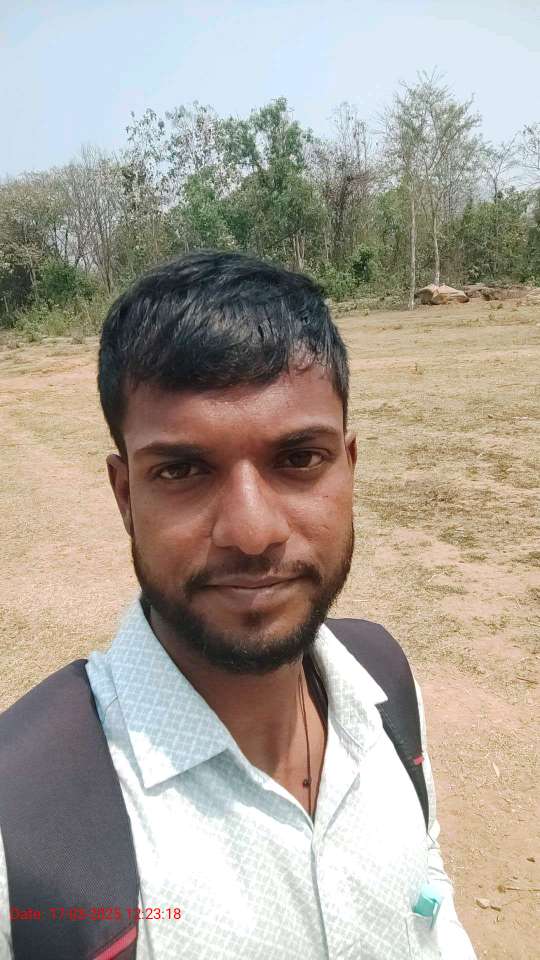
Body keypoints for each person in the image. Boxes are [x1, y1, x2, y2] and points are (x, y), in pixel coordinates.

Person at [0, 251, 477, 959]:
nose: (252, 533)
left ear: (349, 468)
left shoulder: (383, 688)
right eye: (183, 470)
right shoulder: (22, 819)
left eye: (299, 459)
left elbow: (429, 906)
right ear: (126, 496)